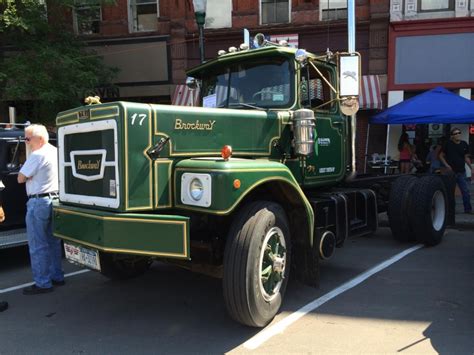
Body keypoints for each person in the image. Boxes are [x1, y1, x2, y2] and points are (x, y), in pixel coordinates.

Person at [17, 124, 65, 295]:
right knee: (53, 241)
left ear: (40, 138)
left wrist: (27, 173)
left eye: (28, 138)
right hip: (56, 199)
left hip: (38, 201)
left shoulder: (37, 155)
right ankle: (57, 276)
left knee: (37, 244)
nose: (26, 142)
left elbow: (20, 178)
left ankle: (43, 283)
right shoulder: (56, 151)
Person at [439, 127, 473, 214]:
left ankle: (467, 209)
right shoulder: (448, 144)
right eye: (455, 134)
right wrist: (447, 165)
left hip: (461, 171)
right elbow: (441, 156)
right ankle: (450, 210)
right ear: (452, 136)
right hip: (451, 172)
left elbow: (466, 157)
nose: (458, 135)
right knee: (450, 192)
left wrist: (471, 168)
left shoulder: (464, 144)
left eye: (459, 133)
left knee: (465, 191)